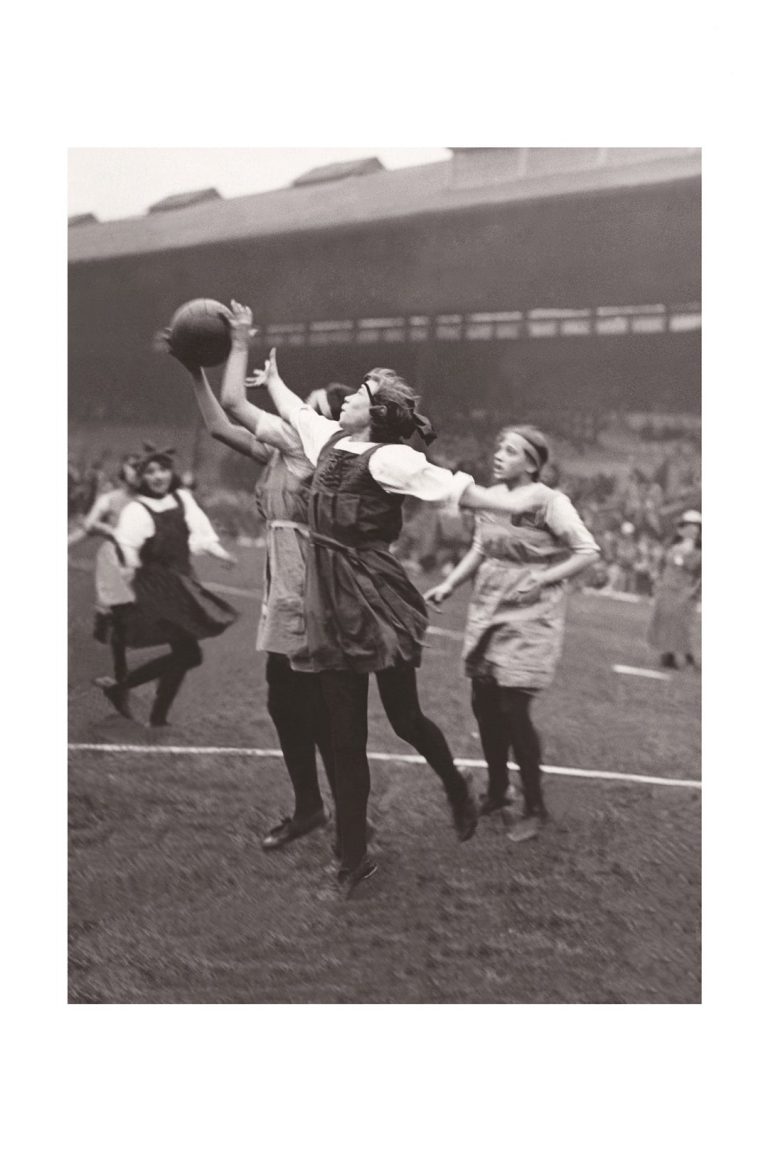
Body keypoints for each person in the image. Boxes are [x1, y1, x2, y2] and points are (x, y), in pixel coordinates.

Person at [254, 347, 560, 895]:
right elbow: (298, 411)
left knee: (405, 719)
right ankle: (353, 860)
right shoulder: (328, 439)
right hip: (328, 598)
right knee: (345, 739)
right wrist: (274, 379)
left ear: (374, 416)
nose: (346, 395)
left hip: (373, 597)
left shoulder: (389, 459)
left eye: (359, 394)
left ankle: (455, 786)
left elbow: (456, 489)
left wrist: (522, 510)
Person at [166, 307, 352, 850]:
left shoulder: (312, 447)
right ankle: (315, 808)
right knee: (285, 699)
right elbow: (219, 424)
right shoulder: (281, 449)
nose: (296, 407)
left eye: (310, 405)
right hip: (285, 583)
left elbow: (233, 403)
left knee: (310, 704)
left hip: (309, 586)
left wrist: (240, 341)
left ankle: (341, 811)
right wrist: (193, 367)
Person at [425, 426, 599, 841]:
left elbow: (587, 550)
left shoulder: (550, 502)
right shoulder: (490, 496)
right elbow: (481, 549)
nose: (500, 454)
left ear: (533, 463)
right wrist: (451, 583)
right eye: (499, 446)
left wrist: (542, 580)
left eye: (512, 450)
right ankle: (499, 791)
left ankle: (535, 806)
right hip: (488, 607)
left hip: (531, 612)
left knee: (513, 709)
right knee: (483, 705)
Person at [100, 445, 238, 726]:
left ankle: (152, 712)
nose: (157, 476)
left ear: (170, 471)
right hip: (154, 589)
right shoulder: (137, 509)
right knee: (189, 654)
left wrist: (223, 555)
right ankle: (124, 691)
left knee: (185, 654)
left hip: (182, 584)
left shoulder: (183, 499)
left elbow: (202, 534)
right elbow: (126, 549)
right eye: (150, 471)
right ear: (142, 477)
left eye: (162, 469)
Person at [69, 455, 140, 684]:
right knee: (107, 616)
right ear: (123, 472)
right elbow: (88, 526)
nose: (138, 473)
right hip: (114, 564)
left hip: (140, 566)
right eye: (134, 467)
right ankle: (96, 669)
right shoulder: (109, 499)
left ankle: (112, 671)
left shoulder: (147, 502)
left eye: (142, 468)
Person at [647, 510, 702, 669]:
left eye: (696, 527)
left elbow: (697, 572)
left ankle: (688, 657)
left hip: (684, 590)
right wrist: (657, 580)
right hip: (667, 589)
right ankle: (668, 655)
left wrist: (695, 590)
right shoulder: (672, 547)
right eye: (690, 526)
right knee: (665, 622)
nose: (694, 530)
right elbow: (661, 564)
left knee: (683, 624)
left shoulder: (699, 552)